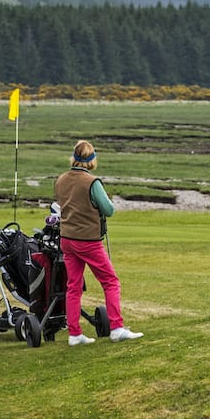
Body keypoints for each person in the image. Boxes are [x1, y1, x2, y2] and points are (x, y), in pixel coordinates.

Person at [54, 140, 143, 346]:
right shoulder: (92, 182)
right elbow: (109, 210)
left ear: (74, 157)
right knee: (110, 281)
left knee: (73, 286)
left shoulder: (61, 179)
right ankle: (117, 328)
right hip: (88, 240)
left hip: (67, 239)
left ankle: (75, 334)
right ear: (91, 160)